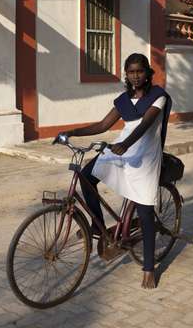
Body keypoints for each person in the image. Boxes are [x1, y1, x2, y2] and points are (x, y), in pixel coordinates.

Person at [55, 53, 172, 289]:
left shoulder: (157, 96)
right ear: (126, 74)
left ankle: (149, 267)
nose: (135, 76)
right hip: (122, 147)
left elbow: (144, 125)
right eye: (130, 72)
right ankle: (98, 226)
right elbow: (102, 125)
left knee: (145, 209)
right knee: (87, 175)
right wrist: (71, 132)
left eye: (139, 71)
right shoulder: (123, 100)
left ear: (148, 73)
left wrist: (126, 145)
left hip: (145, 153)